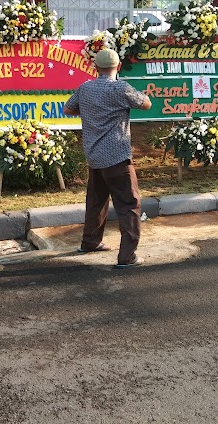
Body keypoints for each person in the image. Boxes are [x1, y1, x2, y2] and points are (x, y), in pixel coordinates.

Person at [63, 48, 152, 268]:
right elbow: (146, 103)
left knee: (96, 201)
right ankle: (127, 257)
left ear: (95, 67)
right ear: (118, 67)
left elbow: (67, 109)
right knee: (129, 205)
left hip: (94, 156)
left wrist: (89, 112)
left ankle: (90, 242)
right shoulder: (120, 88)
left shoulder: (85, 88)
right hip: (118, 156)